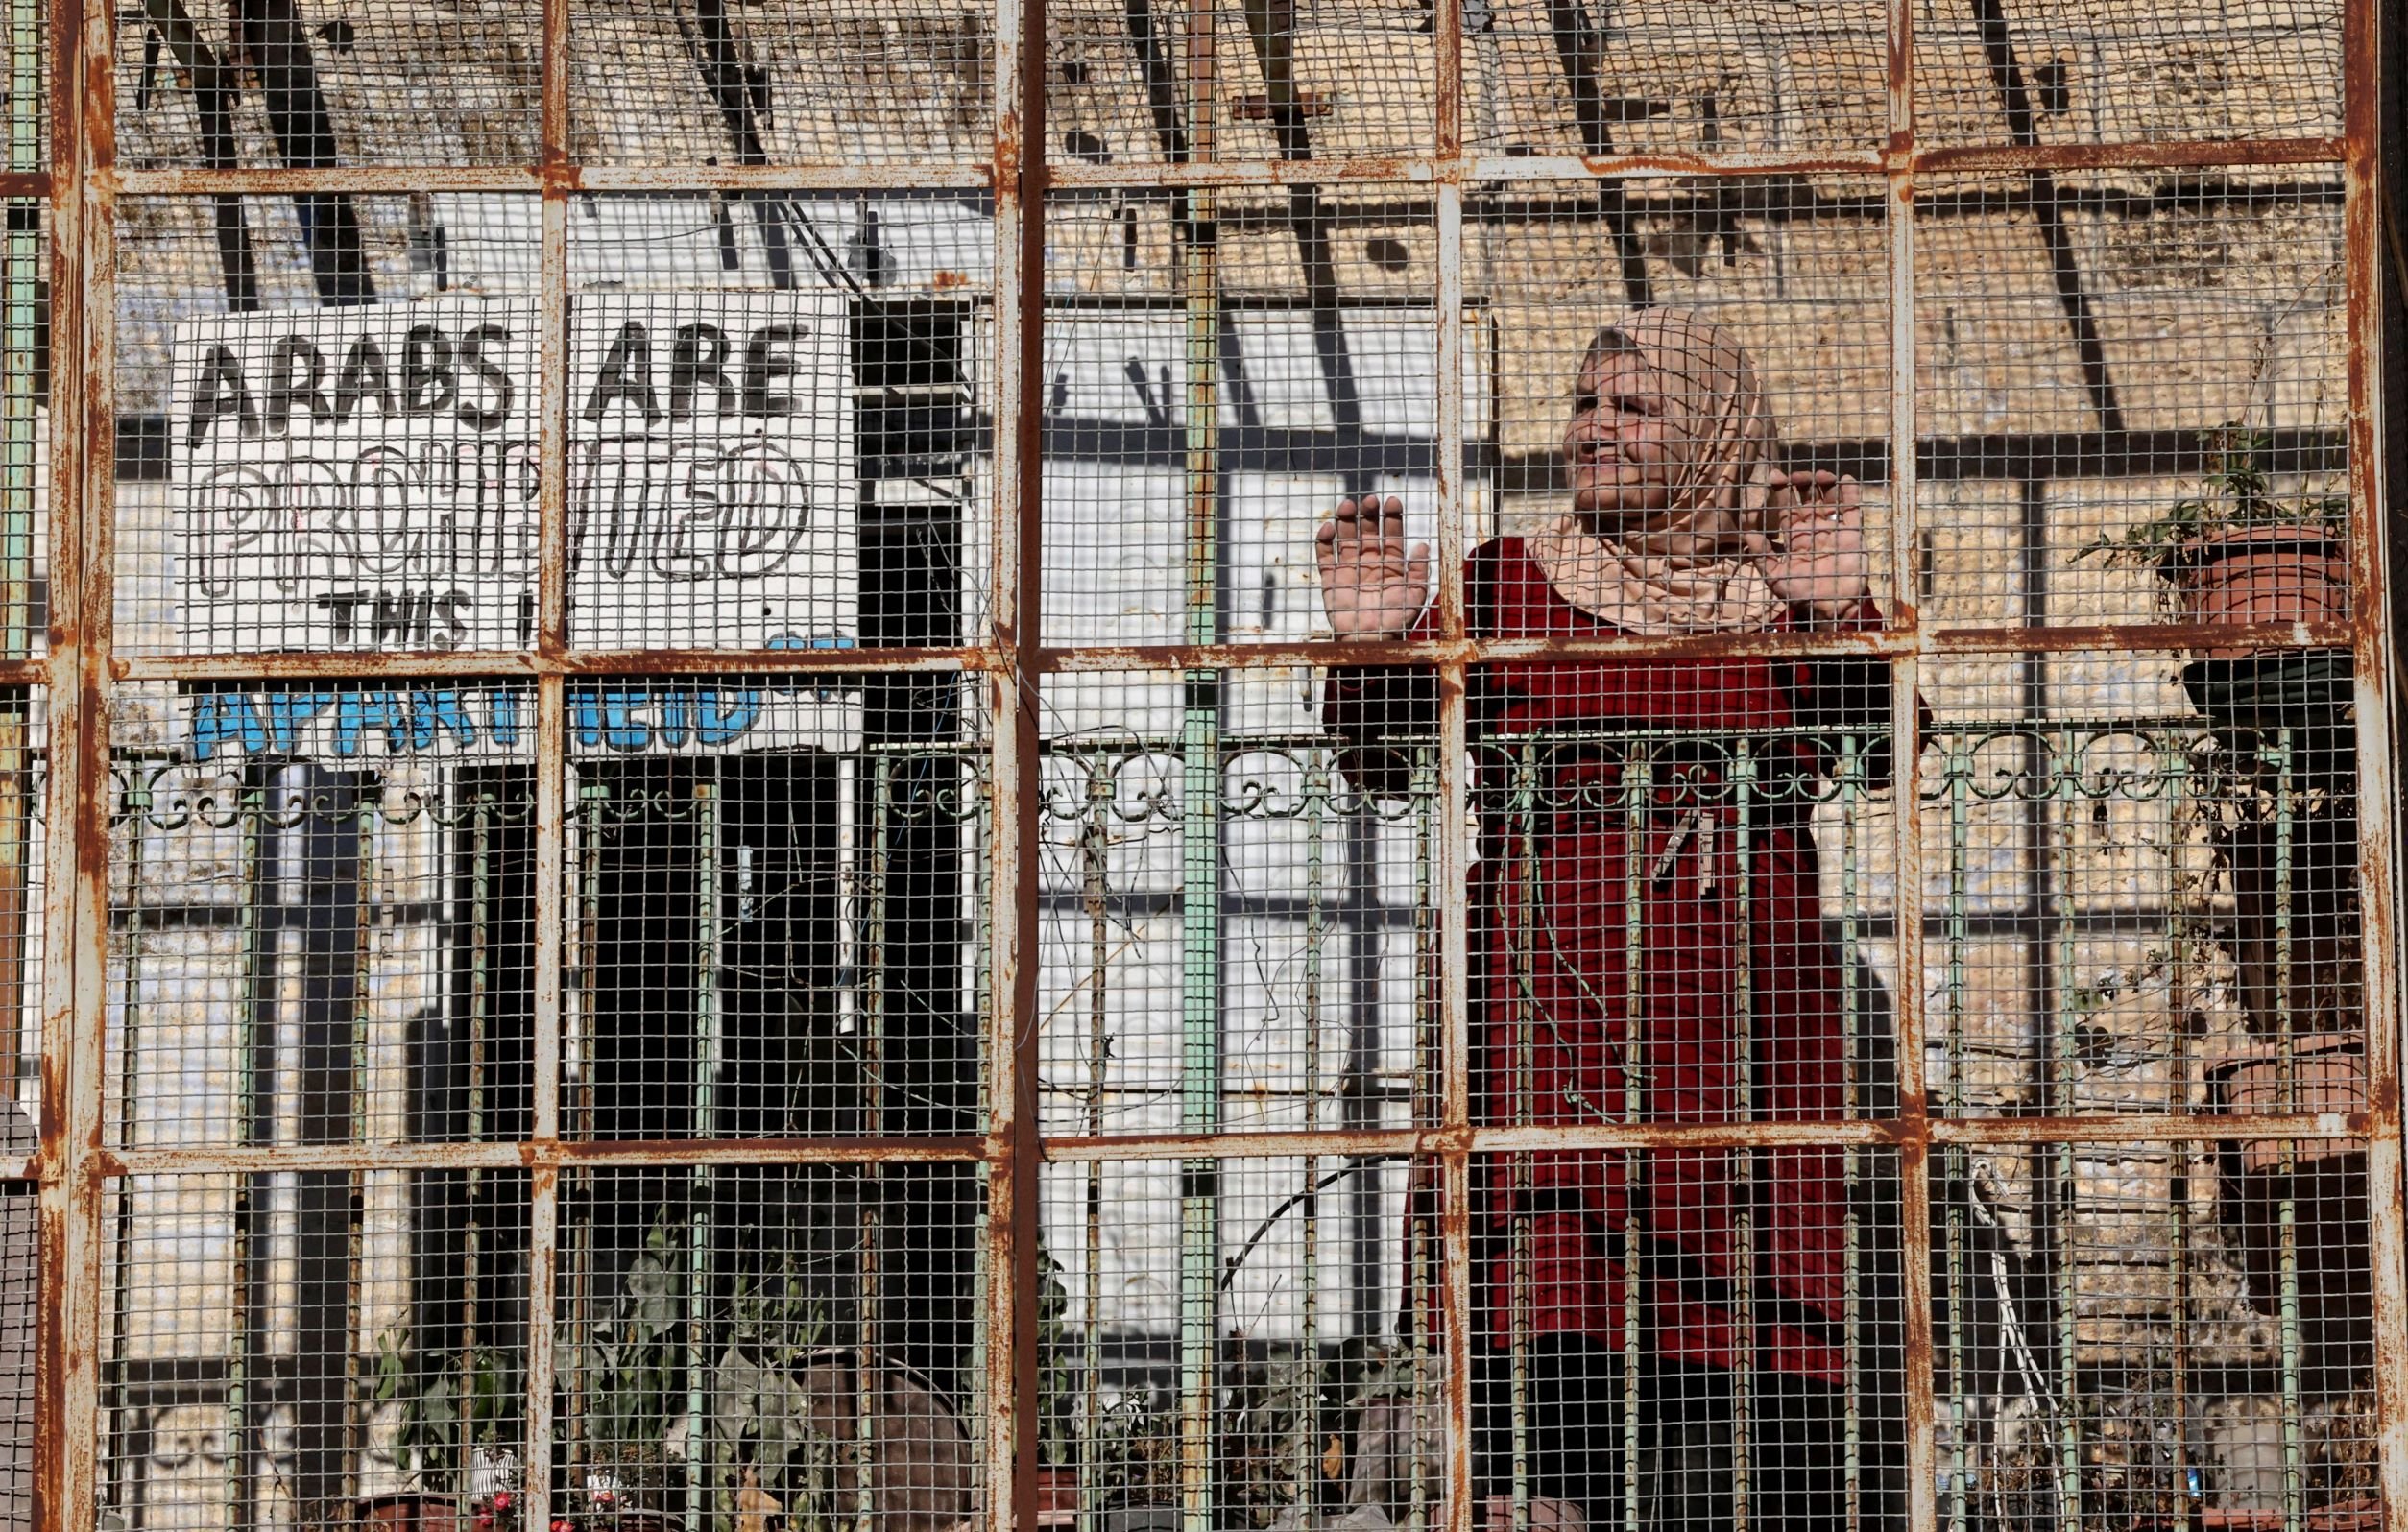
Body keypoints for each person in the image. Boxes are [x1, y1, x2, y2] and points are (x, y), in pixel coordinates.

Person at [1316, 309, 1904, 1532]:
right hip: (1544, 1034)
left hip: (1745, 1032)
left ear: (1708, 429)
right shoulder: (1504, 581)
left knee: (1748, 1369)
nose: (1596, 430)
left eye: (1633, 409)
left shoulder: (1787, 585)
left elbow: (1882, 753)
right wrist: (1370, 647)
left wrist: (1841, 615)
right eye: (1586, 406)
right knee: (1551, 1337)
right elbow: (1383, 760)